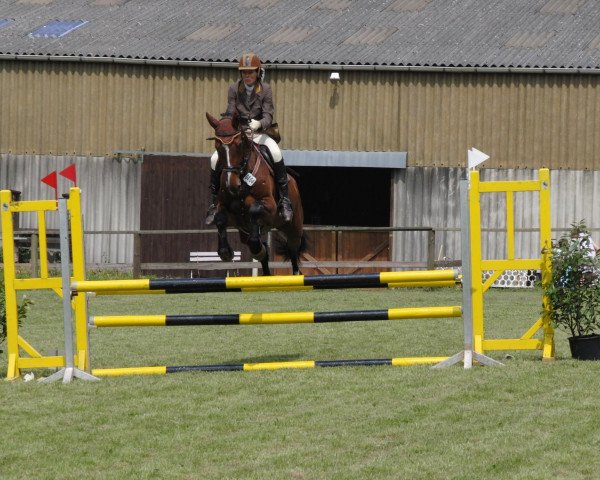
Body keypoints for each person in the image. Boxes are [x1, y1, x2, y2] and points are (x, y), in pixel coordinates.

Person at [205, 52, 293, 225]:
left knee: (276, 152)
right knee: (215, 158)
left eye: (251, 72)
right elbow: (230, 112)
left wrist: (257, 124)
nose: (247, 76)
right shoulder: (233, 89)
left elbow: (268, 115)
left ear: (257, 72)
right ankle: (214, 203)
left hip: (259, 132)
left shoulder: (266, 89)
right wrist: (228, 126)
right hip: (239, 134)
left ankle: (285, 201)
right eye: (244, 72)